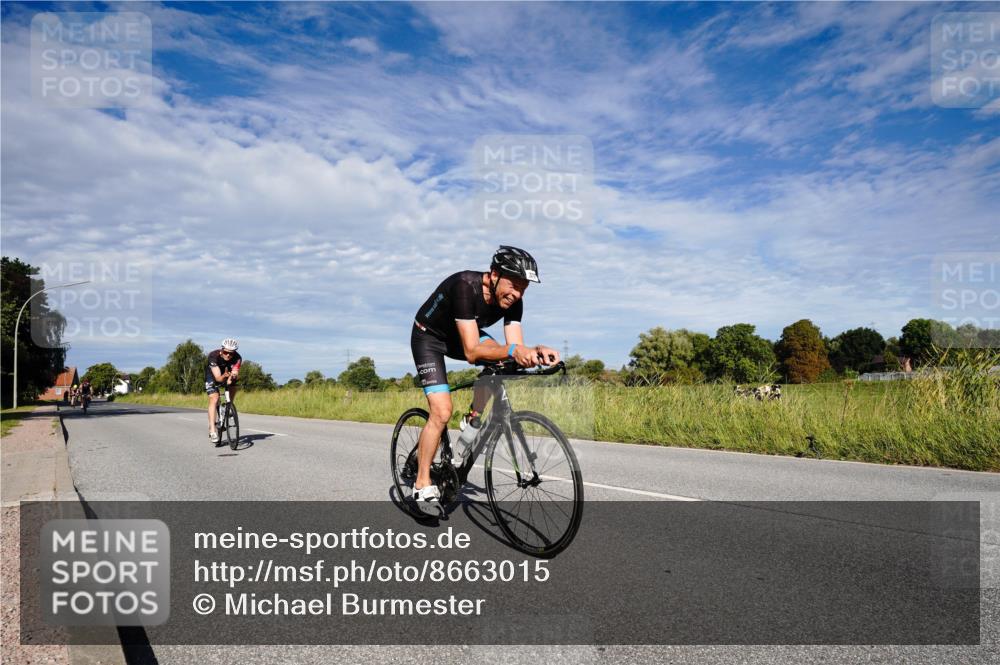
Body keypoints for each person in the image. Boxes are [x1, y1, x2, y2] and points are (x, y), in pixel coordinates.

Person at [409, 246, 560, 512]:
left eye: (523, 288)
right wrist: (514, 351)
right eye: (514, 285)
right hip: (429, 338)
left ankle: (473, 418)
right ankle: (421, 484)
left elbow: (515, 348)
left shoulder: (515, 301)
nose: (517, 294)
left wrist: (535, 353)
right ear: (494, 275)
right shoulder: (465, 286)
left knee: (503, 362)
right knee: (442, 412)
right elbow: (471, 352)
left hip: (462, 334)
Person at [205, 338, 242, 444]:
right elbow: (218, 378)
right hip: (213, 375)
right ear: (222, 350)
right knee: (214, 398)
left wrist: (231, 377)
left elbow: (235, 372)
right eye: (226, 352)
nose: (228, 355)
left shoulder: (238, 358)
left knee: (234, 384)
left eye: (231, 353)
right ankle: (212, 430)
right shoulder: (213, 356)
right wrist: (224, 376)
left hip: (227, 373)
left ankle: (229, 406)